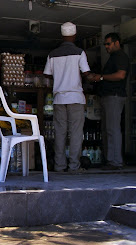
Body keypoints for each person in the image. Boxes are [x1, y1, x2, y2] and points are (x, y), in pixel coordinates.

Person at [43, 22, 91, 173]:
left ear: (62, 36)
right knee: (76, 133)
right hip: (75, 98)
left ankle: (59, 166)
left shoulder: (53, 54)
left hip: (59, 99)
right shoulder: (79, 52)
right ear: (74, 35)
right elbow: (86, 73)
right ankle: (74, 166)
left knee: (60, 133)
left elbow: (46, 74)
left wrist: (60, 78)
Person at [88, 32, 130, 170]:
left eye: (108, 43)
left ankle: (115, 161)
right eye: (105, 44)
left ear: (117, 43)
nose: (106, 46)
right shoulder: (114, 57)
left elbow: (120, 75)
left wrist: (100, 78)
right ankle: (111, 160)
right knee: (107, 129)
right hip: (109, 96)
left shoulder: (120, 56)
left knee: (112, 129)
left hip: (114, 96)